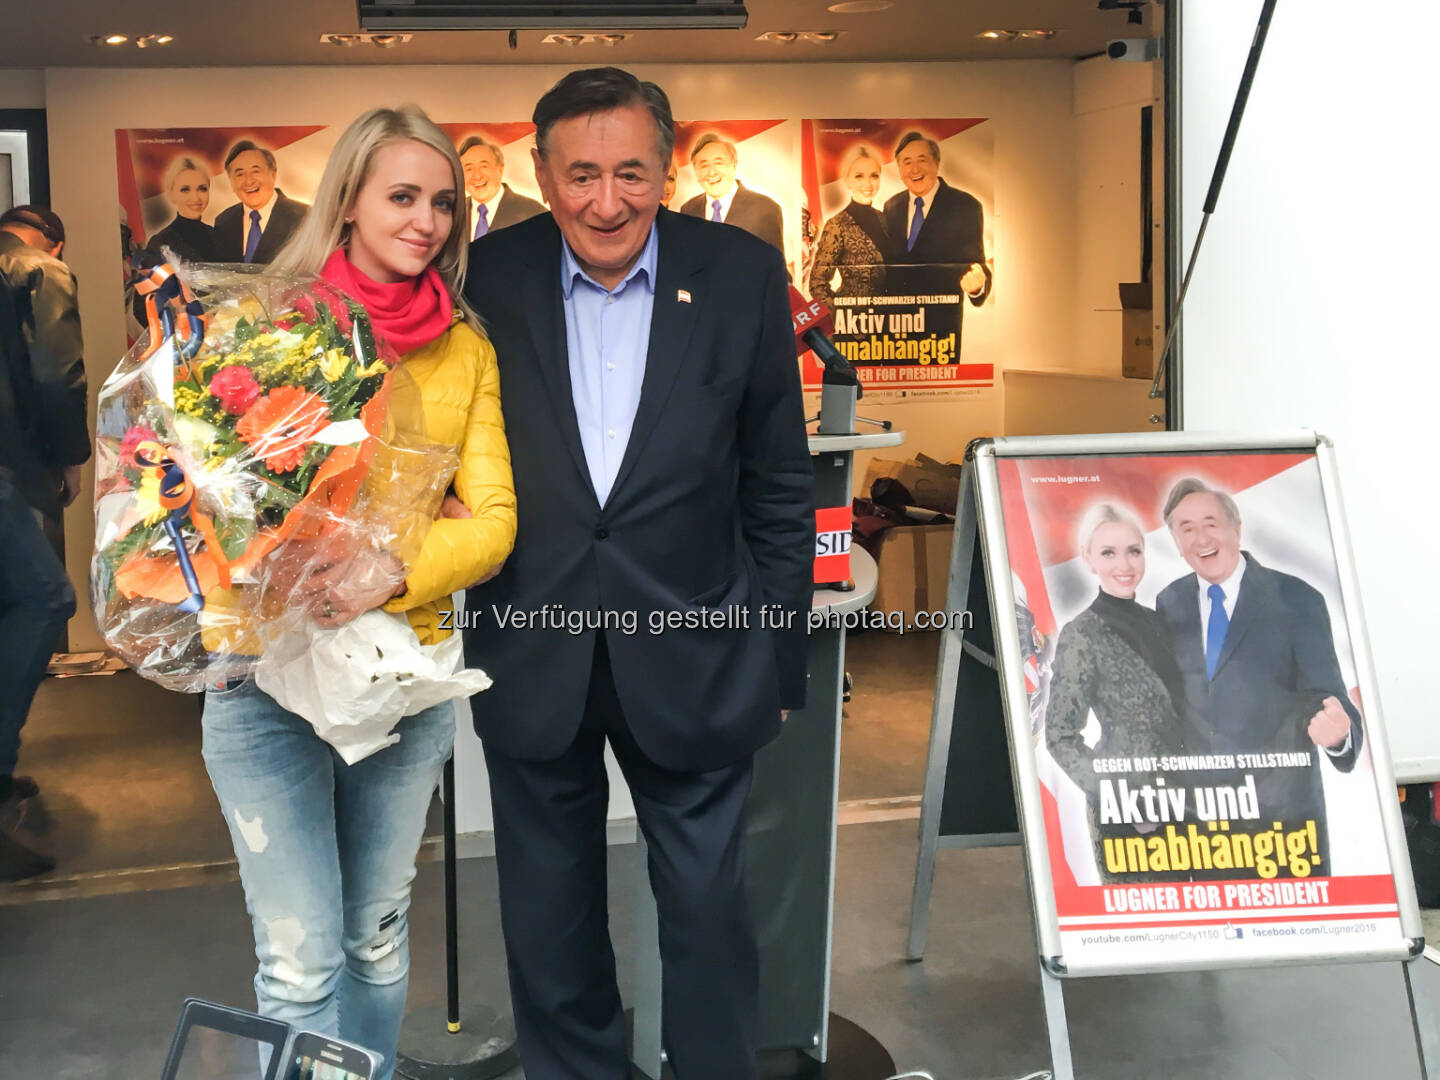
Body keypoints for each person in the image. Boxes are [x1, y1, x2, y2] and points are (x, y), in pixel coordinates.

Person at [463, 67, 813, 1080]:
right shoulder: (486, 278)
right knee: (547, 911)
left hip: (699, 654)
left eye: (629, 173)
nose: (604, 202)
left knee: (708, 911)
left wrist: (777, 661)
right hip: (533, 655)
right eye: (579, 175)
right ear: (539, 171)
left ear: (668, 167)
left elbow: (780, 487)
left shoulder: (741, 273)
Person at [200, 106, 516, 1080]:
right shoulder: (262, 328)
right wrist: (259, 552)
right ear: (347, 203)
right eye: (403, 197)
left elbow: (497, 522)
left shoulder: (466, 350)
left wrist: (393, 564)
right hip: (258, 682)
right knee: (297, 966)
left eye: (443, 204)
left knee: (375, 936)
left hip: (398, 680)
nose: (426, 221)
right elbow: (196, 488)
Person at [1154, 477, 1362, 870]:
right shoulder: (1170, 602)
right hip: (1201, 827)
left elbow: (1331, 698)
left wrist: (1339, 738)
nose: (1201, 538)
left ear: (1236, 529)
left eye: (1211, 523)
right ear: (1176, 544)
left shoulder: (1296, 599)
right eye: (1187, 529)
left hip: (1282, 826)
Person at [0, 205, 88, 881]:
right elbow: (57, 376)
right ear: (54, 241)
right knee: (45, 598)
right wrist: (67, 458)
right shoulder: (39, 271)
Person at [1044, 503, 1185, 883]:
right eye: (1108, 552)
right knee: (1147, 929)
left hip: (1189, 801)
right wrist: (1120, 800)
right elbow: (1060, 736)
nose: (1124, 564)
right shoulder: (1082, 634)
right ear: (1089, 559)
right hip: (1132, 813)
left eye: (1133, 551)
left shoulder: (1162, 623)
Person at [881, 132, 991, 307]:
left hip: (941, 322)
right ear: (900, 170)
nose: (914, 169)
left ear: (937, 163)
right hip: (896, 321)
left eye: (922, 160)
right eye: (907, 162)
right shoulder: (891, 207)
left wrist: (977, 286)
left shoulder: (965, 206)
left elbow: (976, 265)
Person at [806, 144, 888, 304]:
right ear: (847, 180)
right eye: (859, 176)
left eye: (874, 175)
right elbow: (817, 284)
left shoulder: (886, 219)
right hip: (854, 321)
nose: (868, 183)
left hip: (890, 318)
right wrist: (841, 316)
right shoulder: (837, 225)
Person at [680, 132, 786, 255]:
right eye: (703, 165)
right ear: (695, 170)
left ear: (734, 164)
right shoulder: (688, 210)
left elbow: (776, 270)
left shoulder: (765, 208)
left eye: (719, 163)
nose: (712, 172)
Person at [213, 140, 310, 264]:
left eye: (256, 171)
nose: (248, 181)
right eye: (240, 174)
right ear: (231, 181)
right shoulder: (224, 222)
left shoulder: (305, 217)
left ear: (273, 175)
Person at [457, 135, 546, 239]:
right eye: (469, 169)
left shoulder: (533, 213)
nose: (477, 176)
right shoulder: (453, 215)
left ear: (500, 169)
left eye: (484, 166)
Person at [147, 155, 219, 263]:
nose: (195, 198)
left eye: (202, 189)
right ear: (171, 194)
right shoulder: (160, 242)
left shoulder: (218, 236)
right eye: (185, 190)